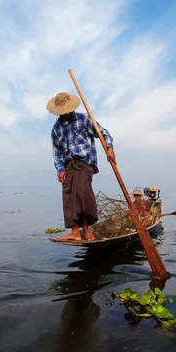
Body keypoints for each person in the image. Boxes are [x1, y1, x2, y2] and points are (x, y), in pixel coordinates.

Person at [46, 91, 116, 241]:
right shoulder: (56, 129)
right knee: (69, 197)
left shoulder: (83, 119)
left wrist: (110, 148)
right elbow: (56, 152)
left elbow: (103, 133)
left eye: (67, 110)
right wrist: (60, 169)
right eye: (62, 111)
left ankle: (85, 229)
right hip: (68, 165)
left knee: (82, 194)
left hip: (84, 162)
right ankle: (75, 232)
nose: (65, 113)